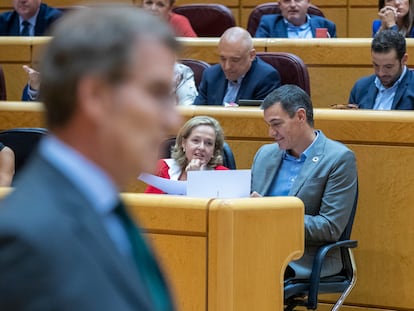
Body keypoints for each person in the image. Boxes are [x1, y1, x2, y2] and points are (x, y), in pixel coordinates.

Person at [0, 5, 181, 310]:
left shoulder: (110, 212)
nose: (172, 120)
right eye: (156, 93)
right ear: (95, 96)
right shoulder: (26, 237)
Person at [251, 84, 358, 279]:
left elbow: (330, 227)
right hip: (257, 247)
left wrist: (273, 215)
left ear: (301, 116)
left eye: (276, 124)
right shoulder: (265, 155)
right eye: (268, 125)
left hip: (303, 257)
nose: (271, 133)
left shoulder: (338, 158)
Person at [193, 26, 281, 105]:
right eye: (223, 58)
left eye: (235, 60)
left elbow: (260, 120)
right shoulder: (210, 75)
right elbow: (197, 114)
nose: (227, 67)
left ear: (251, 55)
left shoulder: (266, 78)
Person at [145, 116, 229, 194]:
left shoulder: (223, 176)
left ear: (214, 150)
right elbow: (148, 205)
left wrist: (196, 178)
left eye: (209, 143)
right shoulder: (163, 168)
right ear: (184, 143)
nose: (202, 147)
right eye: (196, 140)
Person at [348, 29, 414, 110]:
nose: (381, 73)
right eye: (376, 65)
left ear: (404, 60)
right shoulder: (360, 87)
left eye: (388, 67)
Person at [254, 0, 336, 38]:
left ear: (308, 3)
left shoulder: (326, 25)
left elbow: (335, 55)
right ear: (280, 5)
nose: (292, 5)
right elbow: (260, 55)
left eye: (298, 0)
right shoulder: (268, 25)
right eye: (287, 1)